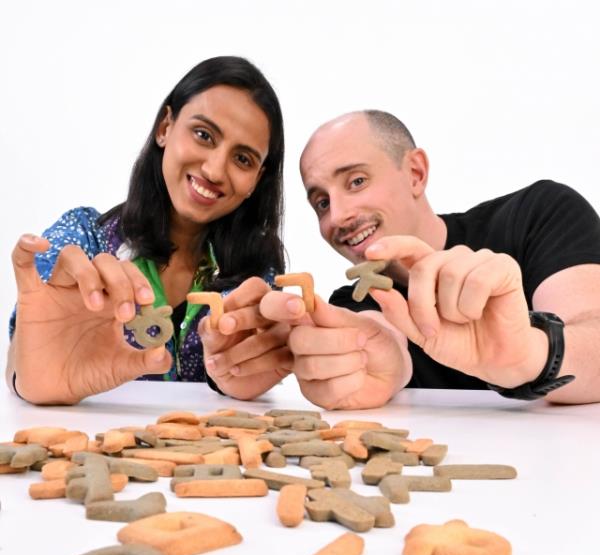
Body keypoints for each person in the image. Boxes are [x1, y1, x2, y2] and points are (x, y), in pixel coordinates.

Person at [258, 110, 600, 409]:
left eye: (357, 181)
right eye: (322, 203)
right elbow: (383, 340)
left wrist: (525, 356)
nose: (338, 216)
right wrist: (366, 361)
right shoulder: (355, 300)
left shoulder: (538, 214)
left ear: (416, 173)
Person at [7, 55, 293, 405]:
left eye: (243, 159)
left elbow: (243, 380)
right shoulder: (83, 237)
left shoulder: (257, 271)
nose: (215, 170)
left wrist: (242, 374)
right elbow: (22, 361)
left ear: (256, 181)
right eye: (203, 135)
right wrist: (30, 377)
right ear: (165, 128)